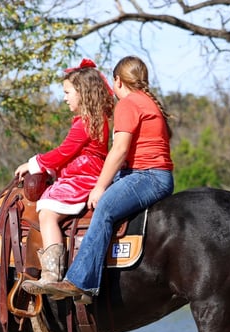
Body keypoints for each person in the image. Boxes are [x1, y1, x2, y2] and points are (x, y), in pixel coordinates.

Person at [23, 55, 174, 299]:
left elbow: (119, 149)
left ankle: (81, 282)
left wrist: (100, 187)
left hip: (147, 176)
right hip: (152, 174)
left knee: (104, 209)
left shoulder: (128, 104)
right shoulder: (148, 102)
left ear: (118, 81)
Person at [16, 59, 114, 291]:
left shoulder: (85, 123)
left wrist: (34, 164)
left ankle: (52, 273)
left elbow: (63, 152)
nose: (64, 98)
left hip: (82, 178)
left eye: (67, 92)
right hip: (83, 173)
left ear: (82, 93)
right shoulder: (93, 120)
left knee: (47, 213)